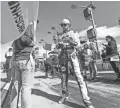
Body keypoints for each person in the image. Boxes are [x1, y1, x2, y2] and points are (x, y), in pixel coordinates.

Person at [57, 18, 94, 108]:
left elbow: (77, 45)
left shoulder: (74, 33)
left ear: (69, 25)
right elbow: (57, 46)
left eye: (65, 24)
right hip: (63, 57)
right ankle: (64, 95)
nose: (63, 26)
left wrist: (69, 41)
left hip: (73, 56)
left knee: (79, 77)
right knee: (63, 77)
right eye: (62, 25)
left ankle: (86, 100)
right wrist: (59, 45)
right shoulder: (59, 35)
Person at [10, 22, 35, 108]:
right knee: (26, 88)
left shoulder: (15, 27)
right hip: (25, 59)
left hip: (17, 59)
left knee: (16, 85)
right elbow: (25, 39)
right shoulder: (27, 25)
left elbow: (13, 44)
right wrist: (33, 43)